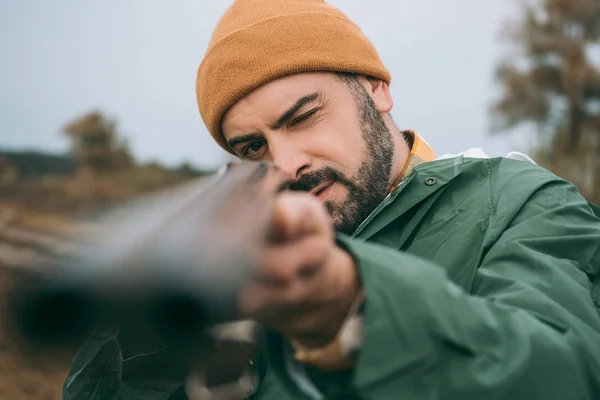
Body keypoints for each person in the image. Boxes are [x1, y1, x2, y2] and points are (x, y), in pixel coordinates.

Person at [63, 0, 600, 399]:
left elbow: (563, 373)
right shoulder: (245, 256)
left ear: (376, 89)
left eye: (302, 117)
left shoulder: (524, 202)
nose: (287, 163)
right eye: (254, 147)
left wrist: (352, 304)